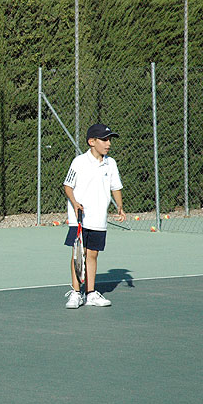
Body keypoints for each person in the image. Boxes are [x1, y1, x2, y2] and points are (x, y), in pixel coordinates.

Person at [63, 123, 126, 309]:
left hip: (99, 218)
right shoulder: (79, 162)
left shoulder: (111, 163)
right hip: (79, 217)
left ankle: (90, 294)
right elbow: (68, 185)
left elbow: (116, 187)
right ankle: (76, 293)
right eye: (104, 140)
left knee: (92, 254)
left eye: (109, 140)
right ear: (92, 141)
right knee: (78, 254)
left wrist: (120, 207)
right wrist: (75, 203)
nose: (108, 143)